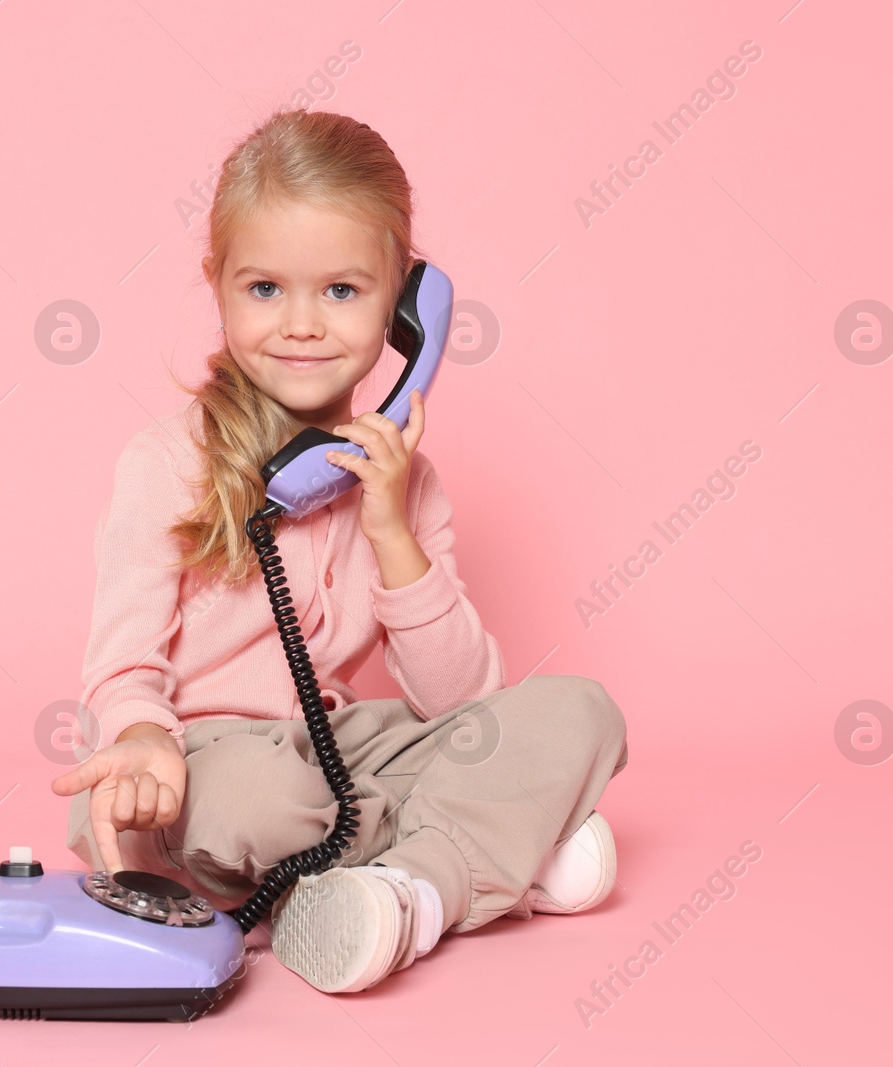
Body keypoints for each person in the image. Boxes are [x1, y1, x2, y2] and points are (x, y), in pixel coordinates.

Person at [50, 108, 628, 995]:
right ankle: (480, 855)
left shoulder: (405, 479)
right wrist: (140, 741)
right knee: (266, 800)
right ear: (219, 288)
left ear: (406, 307)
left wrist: (391, 526)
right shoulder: (165, 464)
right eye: (266, 289)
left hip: (333, 755)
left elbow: (462, 700)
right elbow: (121, 664)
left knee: (578, 711)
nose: (303, 325)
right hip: (194, 776)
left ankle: (407, 894)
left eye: (344, 291)